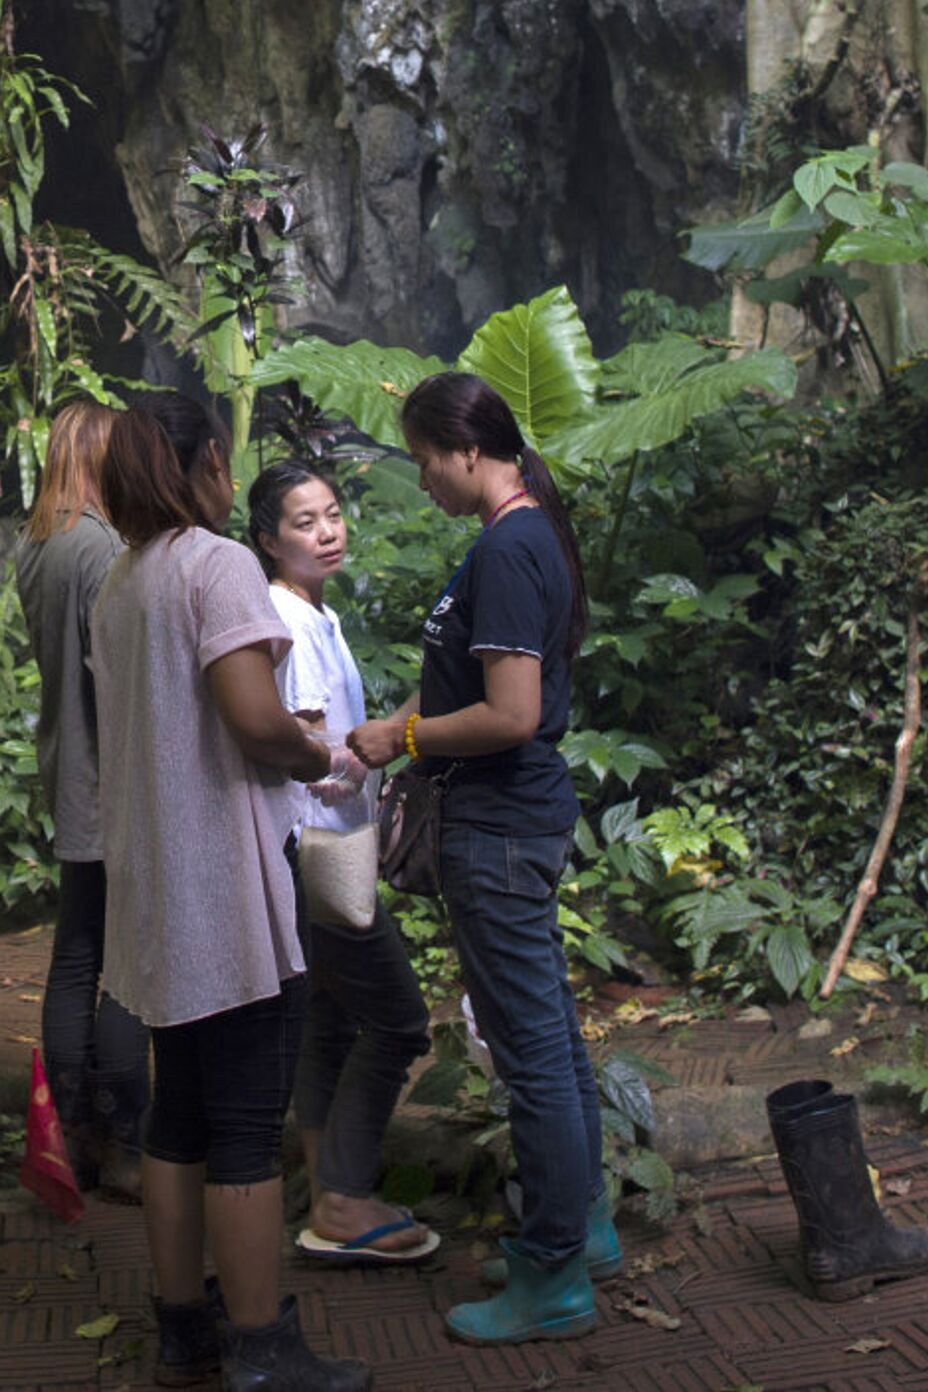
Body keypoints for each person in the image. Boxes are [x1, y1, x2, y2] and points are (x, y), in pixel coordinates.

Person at [91, 394, 371, 1392]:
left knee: (181, 1116)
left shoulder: (122, 578)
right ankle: (261, 1344)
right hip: (225, 879)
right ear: (209, 460)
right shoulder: (216, 563)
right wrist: (315, 746)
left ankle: (183, 1327)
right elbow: (254, 719)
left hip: (159, 884)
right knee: (249, 1121)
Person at [348, 372, 616, 1345]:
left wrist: (406, 740)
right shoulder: (530, 529)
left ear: (467, 450)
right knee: (548, 1039)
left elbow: (510, 714)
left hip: (500, 827)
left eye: (423, 461)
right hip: (516, 823)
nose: (422, 480)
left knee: (532, 1052)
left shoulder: (509, 544)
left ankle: (552, 1276)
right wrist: (405, 727)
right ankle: (580, 1229)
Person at [247, 462, 436, 1271]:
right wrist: (367, 752)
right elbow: (310, 745)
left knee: (328, 1021)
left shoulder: (310, 611)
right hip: (320, 850)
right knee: (398, 1021)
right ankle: (343, 1197)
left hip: (321, 846)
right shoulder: (286, 615)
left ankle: (328, 1184)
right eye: (303, 522)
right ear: (266, 540)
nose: (327, 531)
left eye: (332, 514)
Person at [15, 400, 147, 1197]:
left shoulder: (37, 545)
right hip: (113, 781)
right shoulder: (100, 550)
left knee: (75, 959)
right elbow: (115, 680)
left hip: (68, 771)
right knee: (127, 967)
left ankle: (68, 1131)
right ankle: (127, 1137)